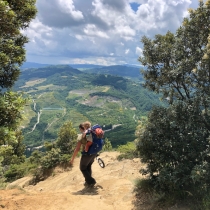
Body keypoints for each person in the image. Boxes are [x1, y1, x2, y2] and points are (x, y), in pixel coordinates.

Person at [70, 122, 97, 187]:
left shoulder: (81, 136)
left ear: (81, 129)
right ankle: (87, 181)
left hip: (87, 154)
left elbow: (77, 149)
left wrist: (72, 159)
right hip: (94, 152)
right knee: (88, 166)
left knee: (82, 168)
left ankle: (91, 181)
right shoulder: (91, 132)